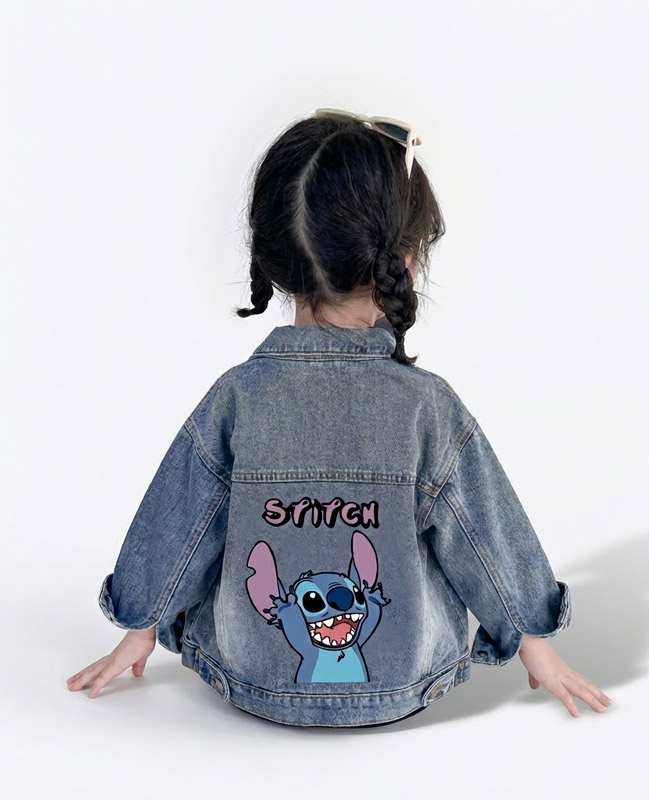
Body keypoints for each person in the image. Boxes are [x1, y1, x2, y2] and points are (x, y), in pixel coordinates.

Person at [66, 108, 612, 726]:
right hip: (402, 682)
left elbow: (182, 520)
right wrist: (533, 639)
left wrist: (140, 626)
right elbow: (482, 531)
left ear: (272, 257)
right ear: (406, 260)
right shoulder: (427, 406)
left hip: (251, 679)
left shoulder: (238, 397)